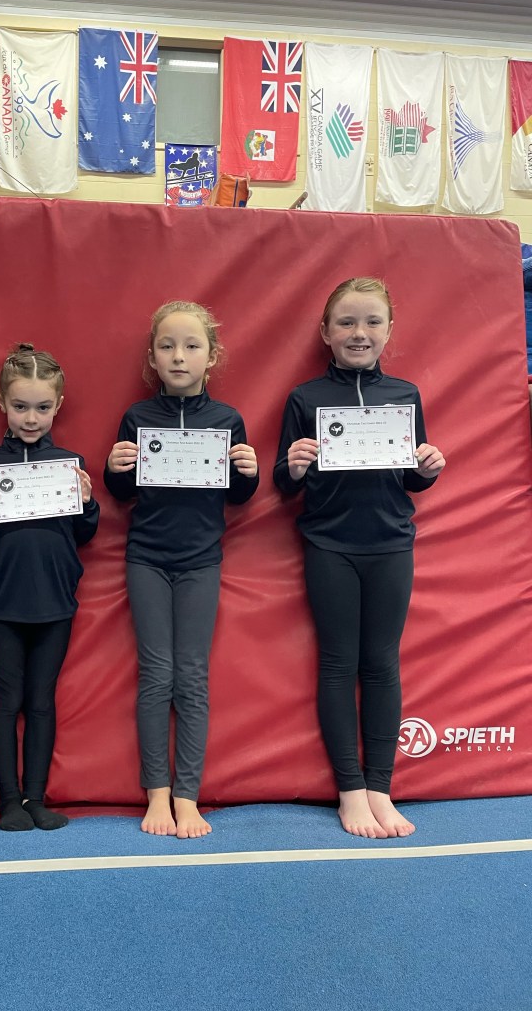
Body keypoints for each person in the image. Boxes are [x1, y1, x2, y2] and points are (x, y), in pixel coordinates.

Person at [273, 277, 445, 839]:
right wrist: (294, 466)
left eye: (372, 321)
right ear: (325, 332)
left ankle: (380, 788)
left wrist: (426, 469)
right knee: (338, 663)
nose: (359, 332)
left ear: (390, 330)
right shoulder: (304, 399)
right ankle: (350, 790)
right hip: (330, 546)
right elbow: (283, 482)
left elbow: (410, 477)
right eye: (346, 322)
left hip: (391, 545)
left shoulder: (405, 395)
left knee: (382, 664)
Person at [104, 300, 259, 839]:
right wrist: (114, 468)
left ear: (211, 357)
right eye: (167, 346)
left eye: (191, 346)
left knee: (191, 676)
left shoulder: (227, 421)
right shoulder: (137, 417)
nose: (178, 356)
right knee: (156, 675)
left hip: (201, 562)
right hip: (147, 558)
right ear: (152, 357)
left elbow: (237, 496)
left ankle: (188, 796)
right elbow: (122, 491)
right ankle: (157, 794)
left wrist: (247, 472)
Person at [0, 344, 99, 832]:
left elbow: (83, 534)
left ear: (58, 406)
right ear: (1, 402)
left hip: (55, 599)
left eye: (42, 407)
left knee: (41, 700)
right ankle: (8, 800)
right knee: (8, 699)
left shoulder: (69, 463)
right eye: (20, 406)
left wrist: (87, 502)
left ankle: (35, 798)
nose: (31, 418)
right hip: (4, 600)